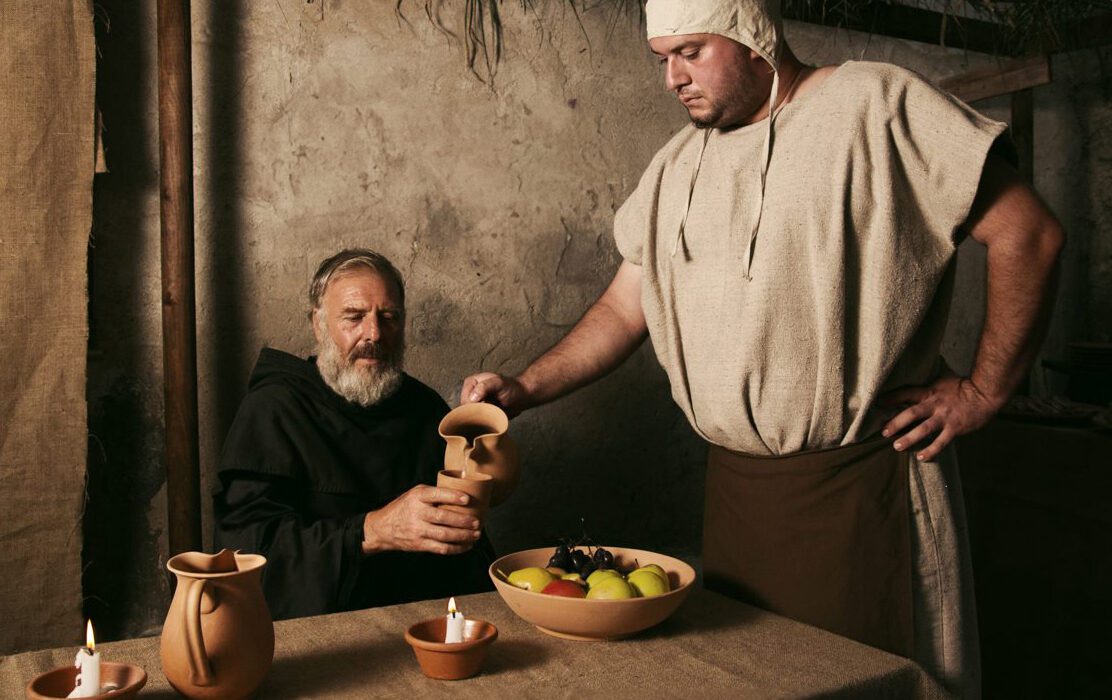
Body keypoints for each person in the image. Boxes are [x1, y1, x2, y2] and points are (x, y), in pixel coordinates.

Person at [460, 0, 1064, 696]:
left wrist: (985, 390)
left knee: (873, 684)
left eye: (690, 52)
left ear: (753, 35)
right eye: (662, 59)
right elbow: (626, 308)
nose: (672, 79)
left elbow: (1031, 234)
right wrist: (525, 387)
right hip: (738, 501)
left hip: (859, 490)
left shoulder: (873, 104)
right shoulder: (679, 162)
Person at [215, 248, 494, 620]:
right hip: (324, 636)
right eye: (354, 317)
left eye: (389, 317)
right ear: (318, 324)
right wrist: (372, 531)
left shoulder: (424, 408)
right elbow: (246, 559)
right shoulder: (274, 410)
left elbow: (465, 548)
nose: (374, 333)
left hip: (425, 623)